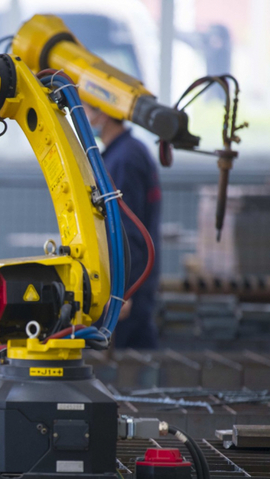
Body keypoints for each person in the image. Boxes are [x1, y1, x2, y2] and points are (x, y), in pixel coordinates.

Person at [84, 104, 162, 349]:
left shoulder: (124, 160)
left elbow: (128, 232)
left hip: (127, 291)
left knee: (126, 366)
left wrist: (122, 291)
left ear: (103, 113)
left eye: (85, 109)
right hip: (136, 284)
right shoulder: (130, 152)